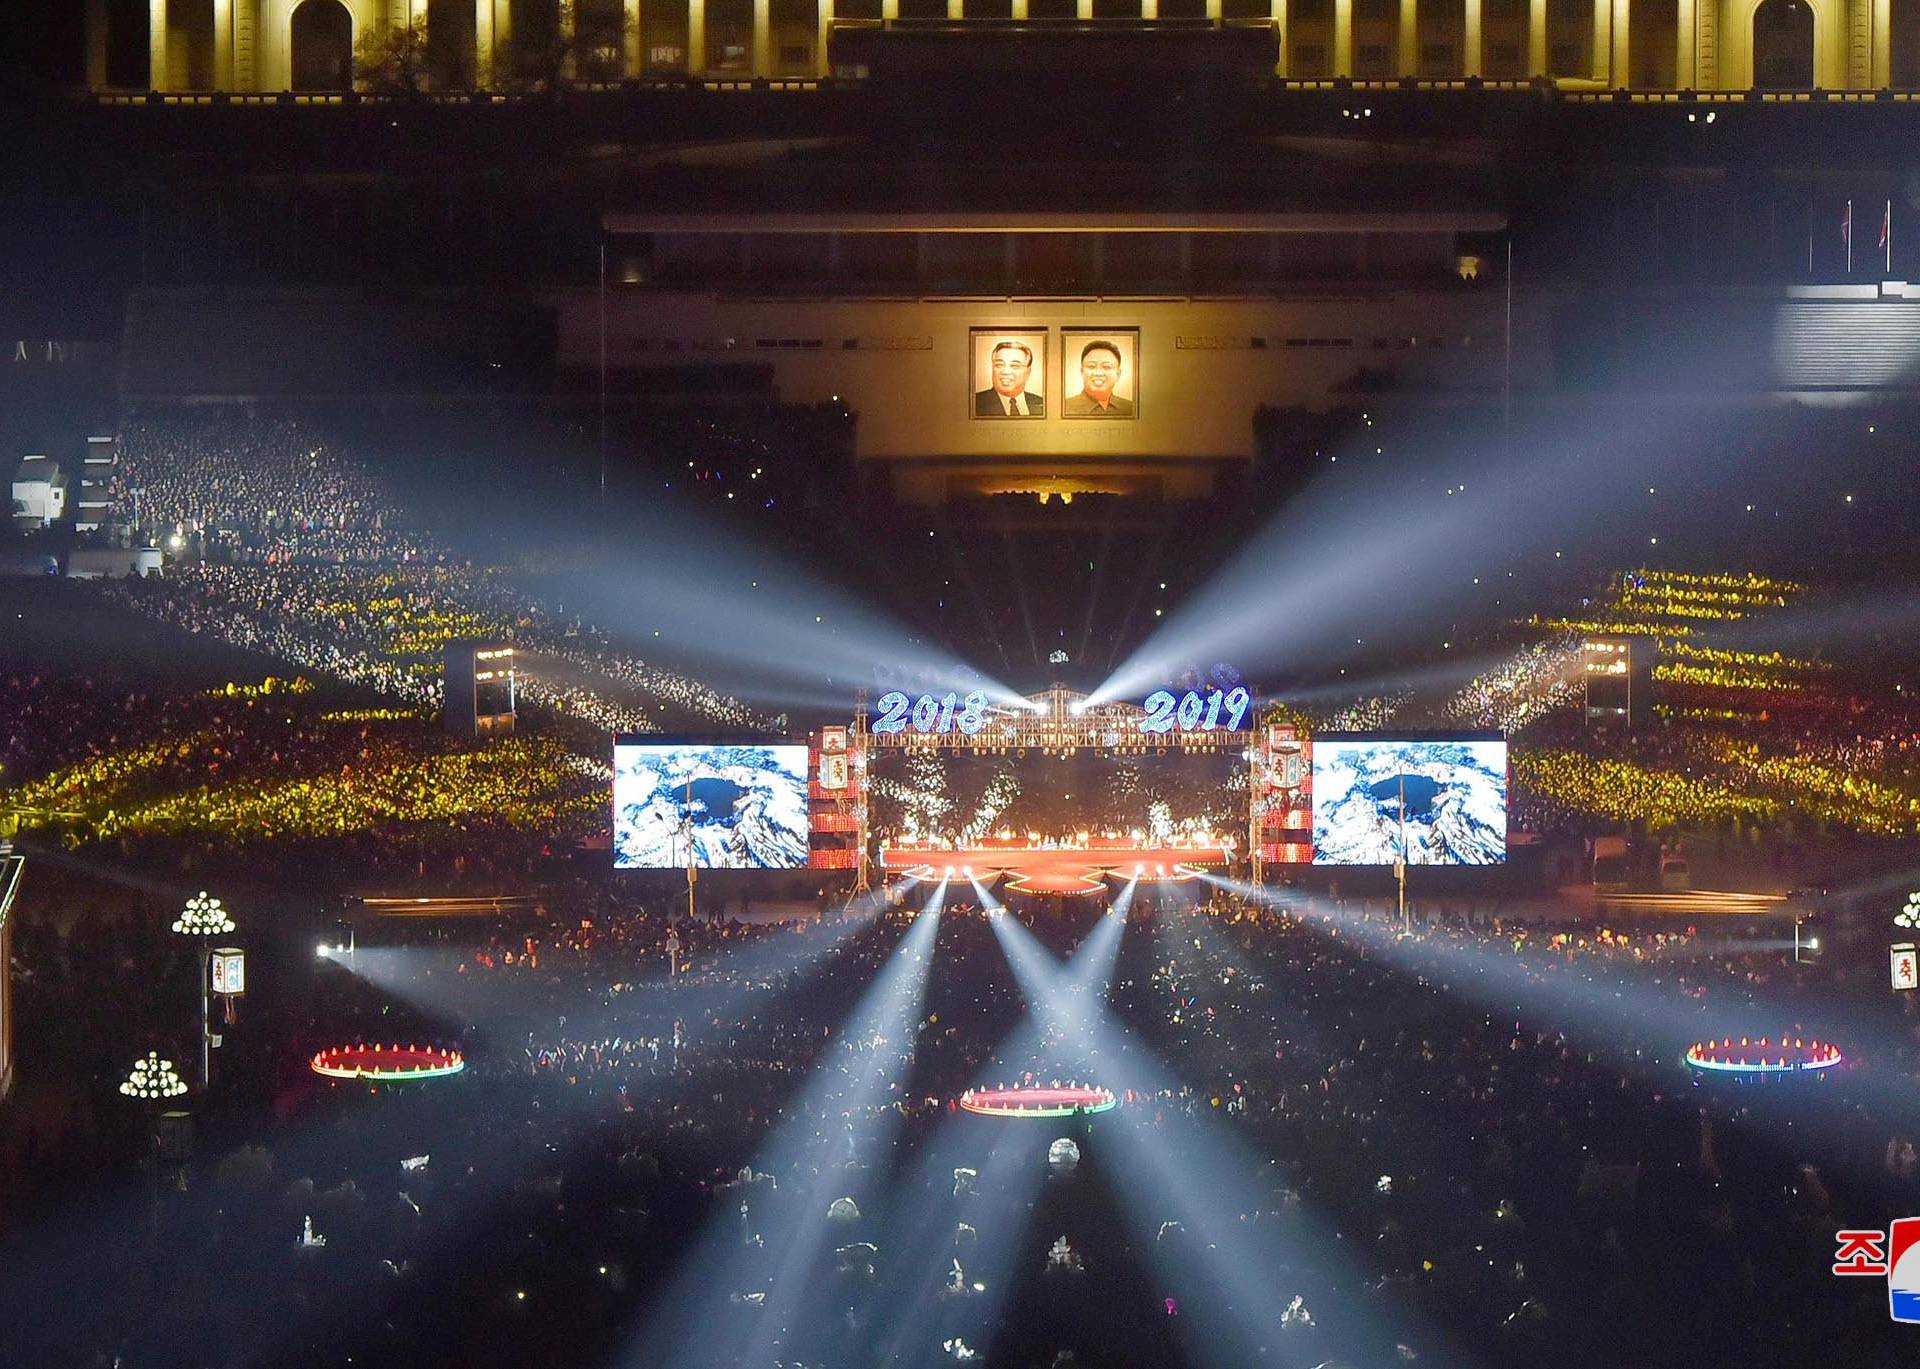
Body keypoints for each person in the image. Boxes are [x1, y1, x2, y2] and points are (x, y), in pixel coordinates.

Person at [974, 340, 1045, 417]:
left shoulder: (1042, 404)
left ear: (1028, 372)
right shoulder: (975, 403)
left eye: (1014, 366)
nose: (1005, 372)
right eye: (999, 365)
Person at [1063, 340, 1133, 417]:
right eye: (1091, 366)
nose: (1098, 373)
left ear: (1118, 374)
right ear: (1082, 372)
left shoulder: (1130, 408)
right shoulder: (1064, 407)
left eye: (1106, 367)